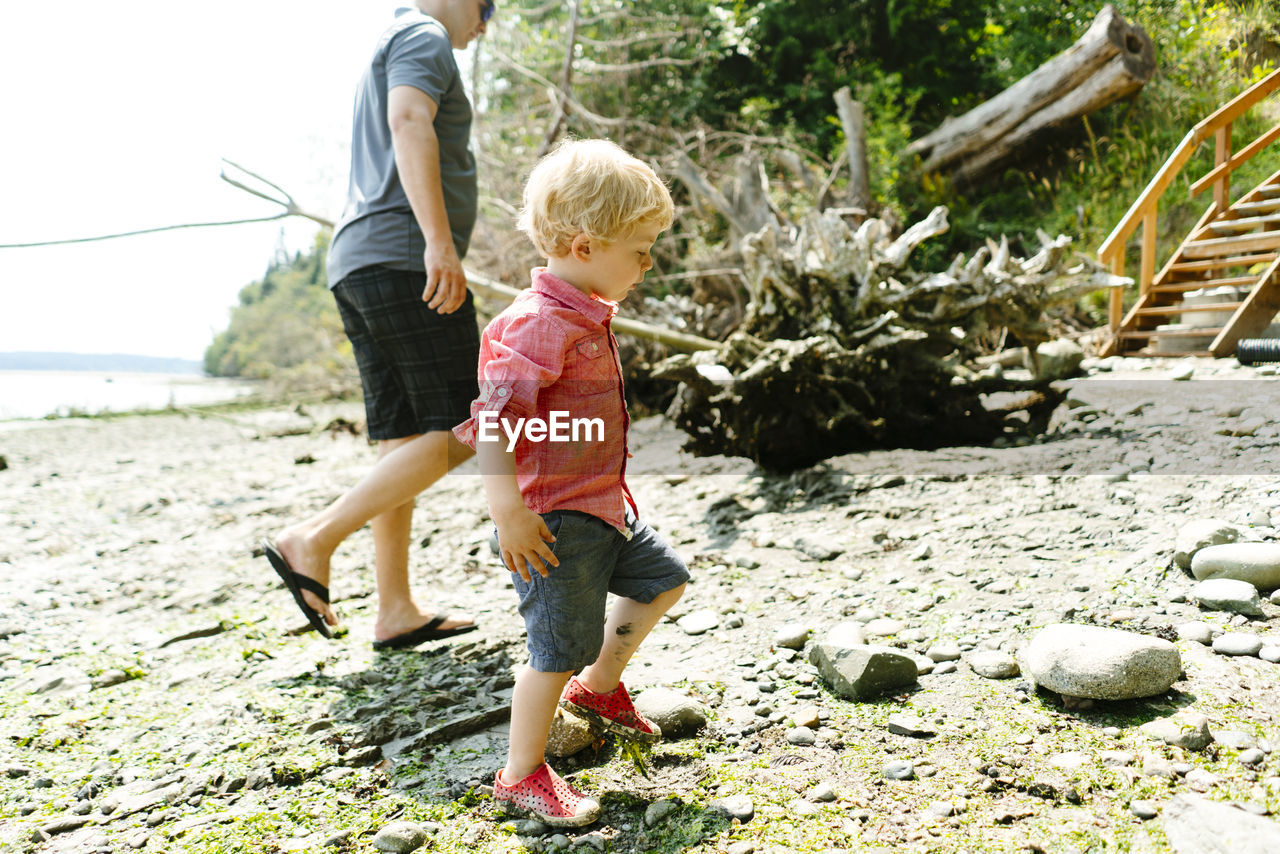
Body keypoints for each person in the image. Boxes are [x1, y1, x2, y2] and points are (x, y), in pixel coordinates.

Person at [453, 139, 689, 827]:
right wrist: (509, 515)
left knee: (663, 579)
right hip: (554, 521)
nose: (648, 262)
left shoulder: (583, 310)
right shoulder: (535, 324)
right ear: (584, 246)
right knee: (553, 652)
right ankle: (521, 774)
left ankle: (598, 694)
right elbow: (494, 423)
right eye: (640, 249)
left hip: (604, 510)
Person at [261, 0, 496, 650]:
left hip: (358, 259)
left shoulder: (391, 36)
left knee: (403, 438)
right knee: (475, 422)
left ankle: (394, 608)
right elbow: (410, 118)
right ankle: (313, 538)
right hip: (401, 256)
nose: (486, 26)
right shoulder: (424, 34)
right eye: (488, 10)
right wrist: (439, 244)